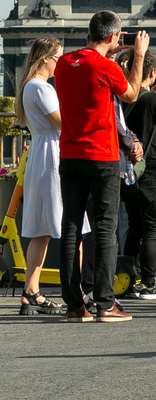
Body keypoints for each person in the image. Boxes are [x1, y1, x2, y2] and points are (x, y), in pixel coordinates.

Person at [54, 12, 148, 323]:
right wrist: (138, 56)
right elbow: (131, 93)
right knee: (106, 227)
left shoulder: (64, 63)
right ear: (113, 37)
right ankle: (105, 303)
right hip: (101, 154)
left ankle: (73, 304)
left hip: (69, 153)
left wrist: (111, 52)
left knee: (70, 226)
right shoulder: (106, 66)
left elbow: (88, 74)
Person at [117, 50, 156, 299]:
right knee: (153, 228)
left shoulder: (120, 99)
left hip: (127, 171)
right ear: (152, 73)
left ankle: (127, 279)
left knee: (134, 226)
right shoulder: (152, 100)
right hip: (151, 169)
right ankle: (150, 282)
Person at [15, 37, 66, 315]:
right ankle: (72, 289)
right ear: (45, 58)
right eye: (57, 57)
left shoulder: (30, 86)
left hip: (41, 151)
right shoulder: (41, 87)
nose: (59, 62)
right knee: (57, 226)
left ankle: (31, 289)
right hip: (51, 154)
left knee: (42, 229)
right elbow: (62, 122)